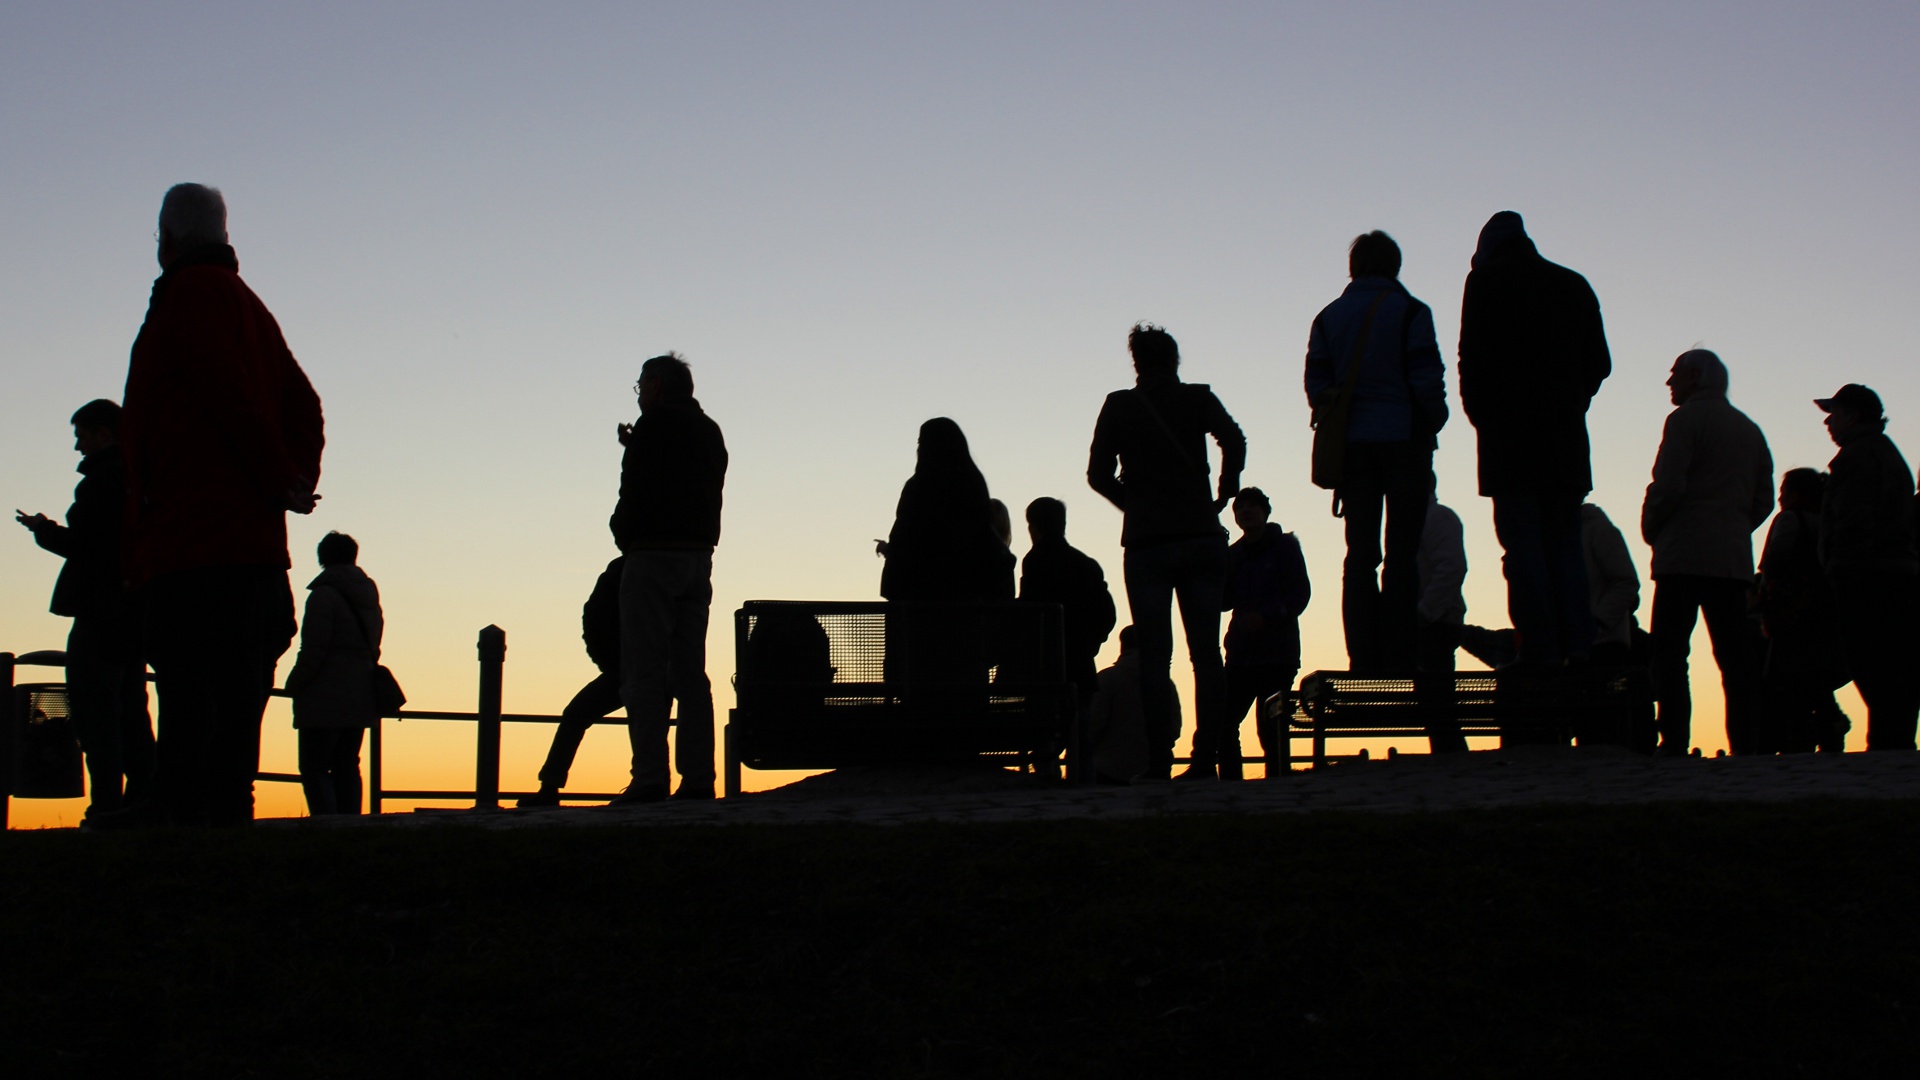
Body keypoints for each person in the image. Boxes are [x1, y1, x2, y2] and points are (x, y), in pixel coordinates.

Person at [117, 183, 324, 827]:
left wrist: (276, 477)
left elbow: (224, 392)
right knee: (235, 685)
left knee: (188, 676)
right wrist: (291, 480)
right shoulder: (247, 305)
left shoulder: (190, 296)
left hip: (195, 534)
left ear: (166, 237)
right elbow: (304, 405)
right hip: (247, 542)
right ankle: (224, 802)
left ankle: (181, 802)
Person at [1089, 324, 1245, 781]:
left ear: (1137, 363)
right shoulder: (1198, 398)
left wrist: (1133, 505)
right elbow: (1233, 440)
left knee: (1156, 660)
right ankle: (1204, 760)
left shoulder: (1120, 405)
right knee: (1207, 655)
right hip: (1200, 536)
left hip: (1146, 545)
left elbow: (1098, 474)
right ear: (1175, 360)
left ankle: (1159, 763)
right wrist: (1225, 488)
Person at [1457, 210, 1611, 669]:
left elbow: (1472, 359)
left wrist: (1483, 418)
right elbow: (1599, 363)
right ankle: (1579, 648)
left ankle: (1540, 648)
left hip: (1509, 447)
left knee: (1523, 550)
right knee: (1564, 546)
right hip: (1565, 447)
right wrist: (1572, 402)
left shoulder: (1485, 283)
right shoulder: (1573, 284)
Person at [1305, 231, 1448, 671]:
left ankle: (1363, 655)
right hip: (1404, 440)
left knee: (1361, 553)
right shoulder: (1411, 311)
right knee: (1403, 553)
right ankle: (1400, 650)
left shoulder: (1328, 317)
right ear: (1395, 265)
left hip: (1353, 447)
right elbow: (1427, 377)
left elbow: (1317, 386)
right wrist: (1433, 418)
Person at [15, 399, 155, 821]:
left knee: (96, 713)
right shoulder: (141, 477)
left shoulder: (100, 481)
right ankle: (141, 799)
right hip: (133, 612)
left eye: (82, 436)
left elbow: (85, 546)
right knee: (132, 711)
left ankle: (107, 804)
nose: (78, 447)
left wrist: (44, 530)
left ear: (103, 434)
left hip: (99, 612)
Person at [1640, 349, 1774, 755]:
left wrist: (1652, 525)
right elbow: (1764, 500)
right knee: (1737, 661)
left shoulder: (1683, 421)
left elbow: (1669, 486)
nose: (1669, 382)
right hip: (1731, 561)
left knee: (1670, 653)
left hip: (1682, 554)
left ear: (1695, 376)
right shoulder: (1749, 429)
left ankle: (1675, 741)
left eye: (1675, 373)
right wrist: (1733, 526)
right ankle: (1747, 744)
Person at [609, 354, 728, 803]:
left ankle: (650, 777)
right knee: (690, 673)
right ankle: (698, 777)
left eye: (641, 385)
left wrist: (622, 531)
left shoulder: (654, 427)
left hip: (652, 554)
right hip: (698, 556)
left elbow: (639, 491)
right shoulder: (708, 429)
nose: (638, 393)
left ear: (656, 385)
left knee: (643, 668)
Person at [1815, 384, 1919, 751]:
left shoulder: (1857, 457)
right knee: (1894, 667)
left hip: (1867, 574)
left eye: (1835, 412)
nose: (1828, 420)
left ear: (1854, 416)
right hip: (1894, 571)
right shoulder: (1887, 454)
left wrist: (1841, 568)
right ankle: (1892, 744)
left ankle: (1889, 745)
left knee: (1873, 664)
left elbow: (1853, 521)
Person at [283, 532, 381, 815]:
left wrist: (296, 682)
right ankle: (350, 821)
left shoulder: (324, 596)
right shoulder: (368, 595)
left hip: (324, 693)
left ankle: (324, 822)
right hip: (361, 689)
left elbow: (313, 648)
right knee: (348, 764)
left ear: (322, 558)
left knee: (314, 765)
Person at [517, 557, 627, 808]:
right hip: (635, 665)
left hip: (628, 666)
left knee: (576, 715)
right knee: (579, 715)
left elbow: (595, 617)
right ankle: (653, 782)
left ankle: (550, 786)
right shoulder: (626, 571)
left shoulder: (623, 570)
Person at [1755, 470, 1850, 753]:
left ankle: (1802, 739)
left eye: (1784, 490)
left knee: (1788, 680)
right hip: (1822, 611)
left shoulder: (1788, 520)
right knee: (1815, 677)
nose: (1780, 496)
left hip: (1791, 611)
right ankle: (1828, 727)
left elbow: (1774, 560)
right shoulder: (1827, 522)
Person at [1218, 488, 1311, 778]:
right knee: (1225, 720)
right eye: (1240, 507)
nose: (1246, 511)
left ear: (1265, 512)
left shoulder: (1285, 547)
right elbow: (1224, 601)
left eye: (1252, 506)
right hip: (1241, 653)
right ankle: (1231, 781)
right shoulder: (1233, 555)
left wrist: (1269, 617)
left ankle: (1278, 778)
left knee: (1269, 724)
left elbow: (1300, 594)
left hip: (1277, 652)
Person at [877, 419, 1012, 601]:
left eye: (920, 443)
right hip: (970, 600)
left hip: (920, 600)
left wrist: (890, 551)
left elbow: (906, 541)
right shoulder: (973, 486)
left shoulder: (919, 487)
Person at [1018, 498, 1117, 708]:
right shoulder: (1086, 564)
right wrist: (1090, 644)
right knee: (1080, 734)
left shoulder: (1035, 561)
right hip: (1081, 667)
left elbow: (1028, 611)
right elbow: (1108, 614)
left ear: (1033, 526)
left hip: (1043, 668)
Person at [1085, 626, 1182, 784]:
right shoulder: (1166, 683)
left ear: (1123, 645)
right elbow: (1174, 728)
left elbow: (1093, 724)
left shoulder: (1106, 679)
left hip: (1106, 769)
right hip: (1155, 770)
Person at [1414, 491, 1467, 674]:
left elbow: (1452, 568)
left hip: (1436, 626)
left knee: (1436, 694)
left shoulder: (1437, 517)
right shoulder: (1421, 520)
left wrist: (1425, 611)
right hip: (1428, 624)